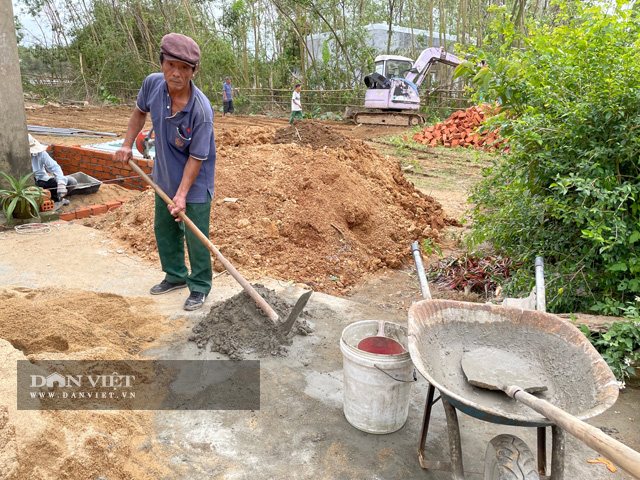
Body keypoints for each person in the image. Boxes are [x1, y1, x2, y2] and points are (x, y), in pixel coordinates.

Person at [115, 33, 216, 312]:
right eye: (171, 65)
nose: (176, 73)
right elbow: (139, 113)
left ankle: (199, 286)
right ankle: (175, 276)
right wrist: (126, 145)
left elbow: (197, 158)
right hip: (164, 175)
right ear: (161, 63)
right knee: (164, 228)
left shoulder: (201, 111)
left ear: (194, 72)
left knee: (196, 236)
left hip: (194, 182)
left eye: (184, 68)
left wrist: (182, 195)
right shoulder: (152, 85)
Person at [29, 134, 77, 203]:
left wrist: (61, 184)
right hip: (26, 186)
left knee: (71, 182)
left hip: (41, 181)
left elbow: (54, 167)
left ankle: (55, 199)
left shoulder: (40, 153)